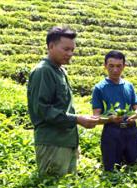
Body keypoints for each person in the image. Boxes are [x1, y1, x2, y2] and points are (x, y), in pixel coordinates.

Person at [27, 26, 99, 177]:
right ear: (51, 46)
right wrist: (78, 119)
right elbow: (44, 110)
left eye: (72, 50)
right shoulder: (43, 71)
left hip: (67, 141)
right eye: (66, 49)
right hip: (53, 143)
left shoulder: (60, 71)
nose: (70, 54)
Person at [91, 50, 137, 171]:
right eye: (111, 66)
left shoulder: (129, 86)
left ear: (124, 66)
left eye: (118, 66)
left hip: (132, 131)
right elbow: (96, 117)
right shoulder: (99, 88)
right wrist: (111, 119)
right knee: (112, 170)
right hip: (112, 132)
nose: (115, 70)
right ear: (105, 66)